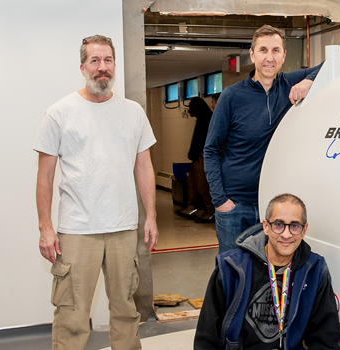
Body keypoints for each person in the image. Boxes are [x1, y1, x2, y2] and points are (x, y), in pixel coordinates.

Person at [34, 34, 158, 350]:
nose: (102, 68)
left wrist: (151, 217)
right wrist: (45, 228)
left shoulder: (133, 112)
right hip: (77, 231)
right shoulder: (59, 113)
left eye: (108, 60)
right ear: (82, 67)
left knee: (126, 313)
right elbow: (45, 176)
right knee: (72, 317)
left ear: (114, 65)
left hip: (123, 228)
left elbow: (143, 167)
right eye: (95, 60)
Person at [204, 25, 324, 253]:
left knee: (267, 274)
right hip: (234, 205)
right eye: (263, 50)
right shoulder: (232, 96)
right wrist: (220, 201)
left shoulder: (288, 83)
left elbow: (328, 65)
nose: (270, 57)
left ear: (284, 56)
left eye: (276, 50)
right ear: (252, 55)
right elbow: (211, 150)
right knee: (233, 274)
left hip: (272, 208)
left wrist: (309, 81)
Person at [194, 193, 340, 350]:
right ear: (265, 226)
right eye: (278, 224)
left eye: (295, 226)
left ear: (304, 230)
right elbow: (206, 338)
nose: (286, 234)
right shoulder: (232, 267)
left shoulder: (314, 270)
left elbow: (327, 340)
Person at [179, 96, 216, 222]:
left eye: (191, 107)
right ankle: (193, 207)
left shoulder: (208, 119)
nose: (189, 110)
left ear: (198, 108)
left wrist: (204, 152)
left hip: (202, 157)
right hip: (196, 157)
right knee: (192, 183)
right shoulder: (201, 119)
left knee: (202, 184)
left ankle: (211, 210)